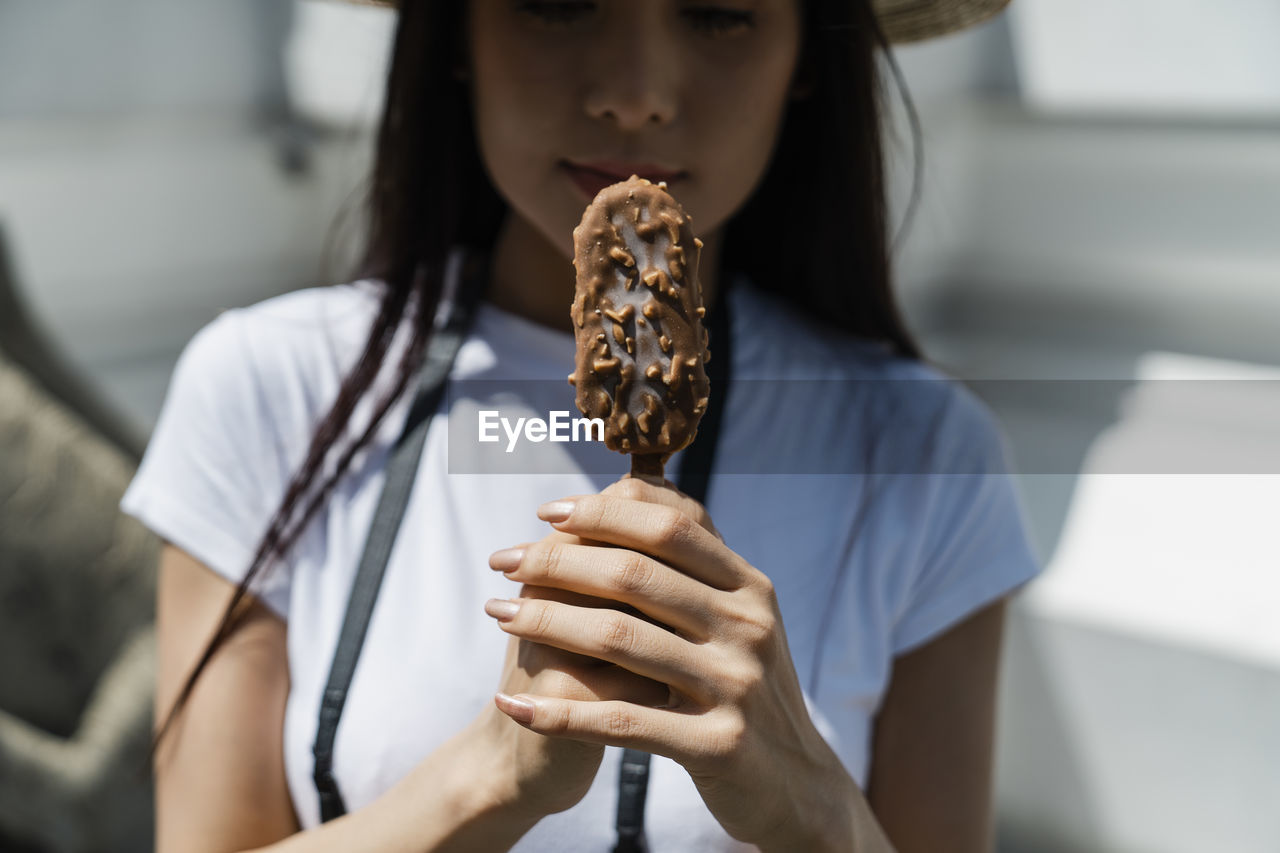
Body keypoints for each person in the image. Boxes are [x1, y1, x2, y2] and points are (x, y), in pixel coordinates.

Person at [122, 0, 1040, 850]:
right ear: (457, 32)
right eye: (559, 0)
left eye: (718, 13)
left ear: (807, 52)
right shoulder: (272, 387)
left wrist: (813, 802)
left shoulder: (923, 451)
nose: (634, 97)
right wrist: (491, 775)